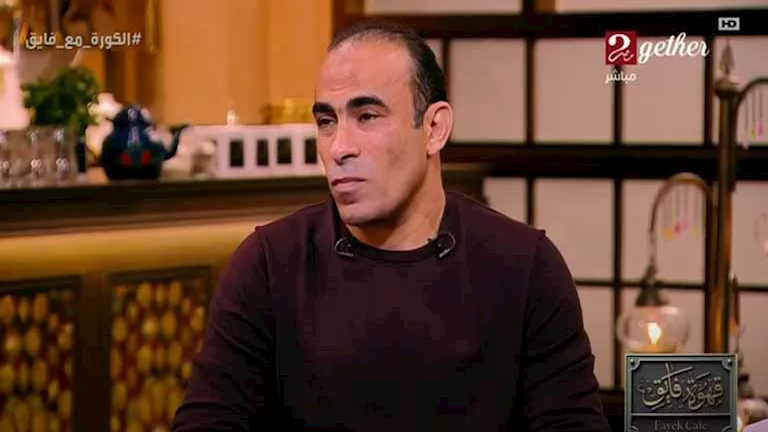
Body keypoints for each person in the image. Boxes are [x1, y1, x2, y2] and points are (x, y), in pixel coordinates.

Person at [171, 20, 611, 432]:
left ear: (434, 128)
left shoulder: (524, 266)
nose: (339, 147)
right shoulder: (270, 264)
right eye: (326, 122)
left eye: (367, 116)